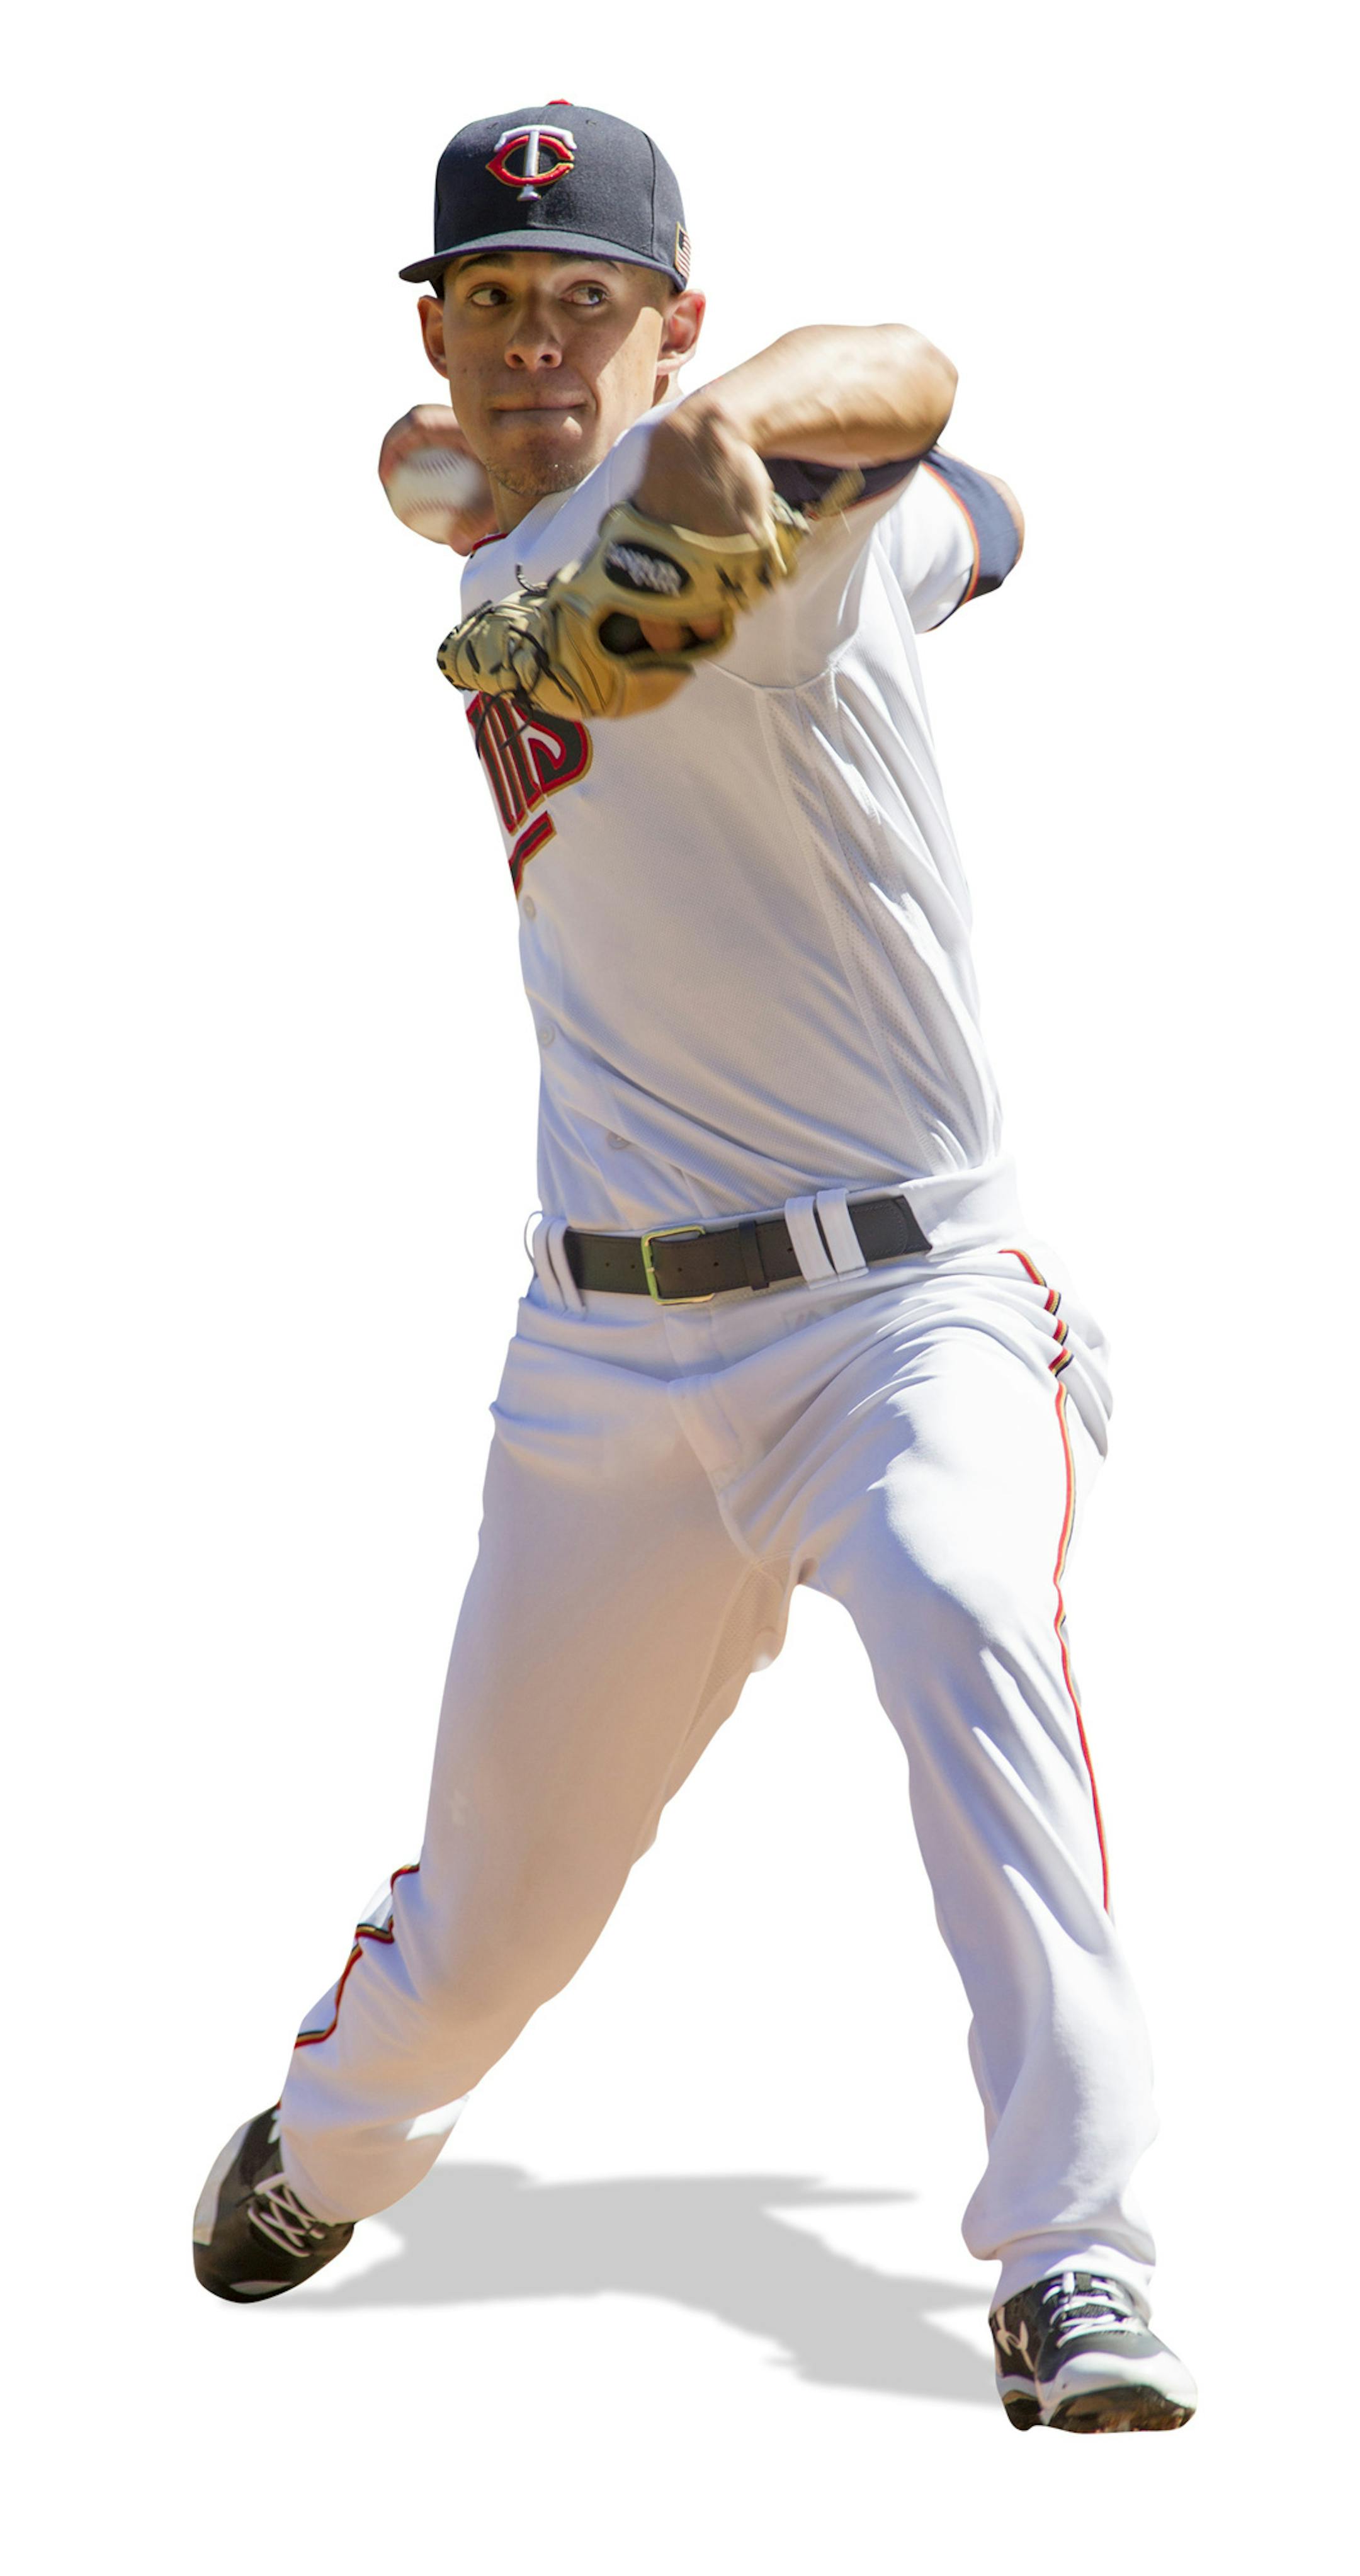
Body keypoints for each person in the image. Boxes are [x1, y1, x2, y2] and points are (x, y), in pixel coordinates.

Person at [193, 100, 1196, 2436]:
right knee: (493, 1925)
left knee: (967, 1606)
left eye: (590, 301)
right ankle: (331, 2150)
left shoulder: (773, 530)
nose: (539, 337)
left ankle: (1078, 2252)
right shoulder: (512, 534)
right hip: (601, 1362)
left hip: (899, 1310)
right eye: (489, 300)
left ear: (679, 321)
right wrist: (467, 474)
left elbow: (911, 372)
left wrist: (735, 443)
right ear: (441, 336)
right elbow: (988, 514)